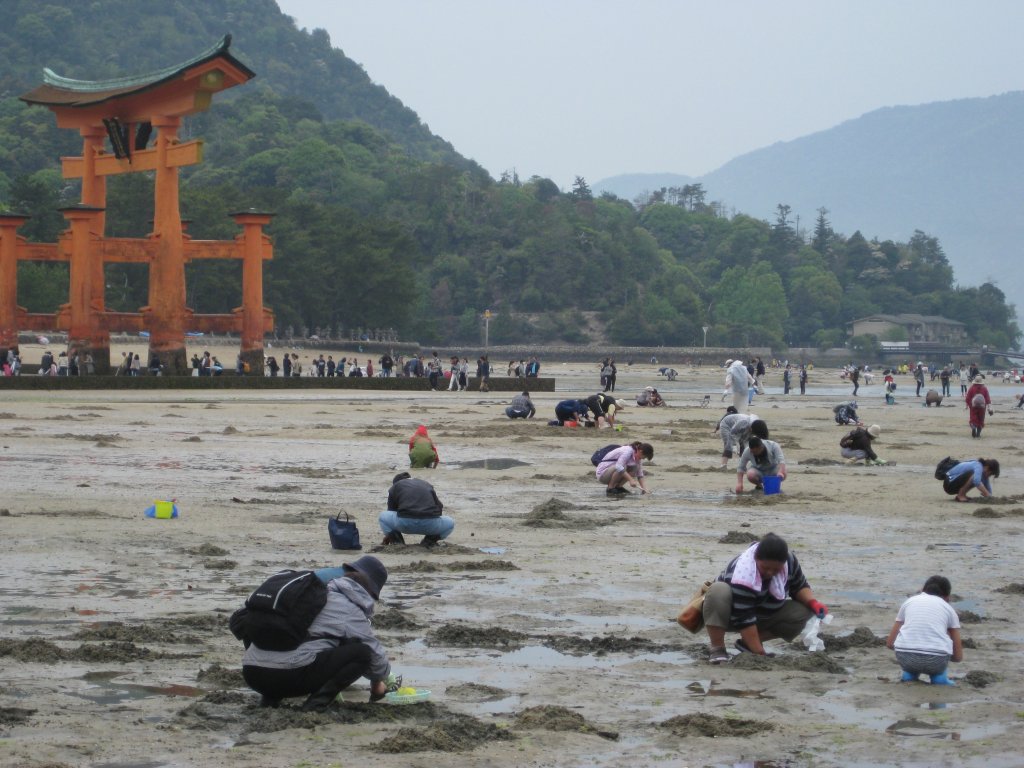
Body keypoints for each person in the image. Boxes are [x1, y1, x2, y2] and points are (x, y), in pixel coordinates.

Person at [241, 555, 394, 711]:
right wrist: (379, 683)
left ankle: (269, 700)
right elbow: (374, 656)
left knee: (302, 642)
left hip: (252, 674)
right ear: (368, 592)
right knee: (362, 653)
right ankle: (315, 706)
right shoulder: (348, 606)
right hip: (286, 678)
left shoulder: (308, 596)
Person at [703, 533, 827, 663]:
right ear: (756, 558)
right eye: (765, 568)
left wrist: (813, 603)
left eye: (776, 570)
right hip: (728, 614)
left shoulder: (789, 562)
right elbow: (744, 618)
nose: (770, 573)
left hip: (763, 613)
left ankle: (747, 643)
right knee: (718, 590)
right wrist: (760, 654)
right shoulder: (742, 572)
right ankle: (717, 648)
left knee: (805, 612)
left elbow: (799, 586)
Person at [885, 575, 963, 685]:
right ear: (947, 597)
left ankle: (909, 676)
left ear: (922, 590)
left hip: (906, 657)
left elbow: (889, 643)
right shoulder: (949, 609)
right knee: (938, 674)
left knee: (911, 669)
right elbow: (958, 656)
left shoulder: (909, 602)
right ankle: (939, 679)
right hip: (937, 659)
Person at [379, 472, 454, 546]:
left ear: (395, 483)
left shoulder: (396, 486)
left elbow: (391, 511)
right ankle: (429, 541)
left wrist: (389, 536)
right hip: (429, 525)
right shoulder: (426, 484)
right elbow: (439, 507)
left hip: (405, 524)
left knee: (383, 516)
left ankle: (397, 542)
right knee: (450, 522)